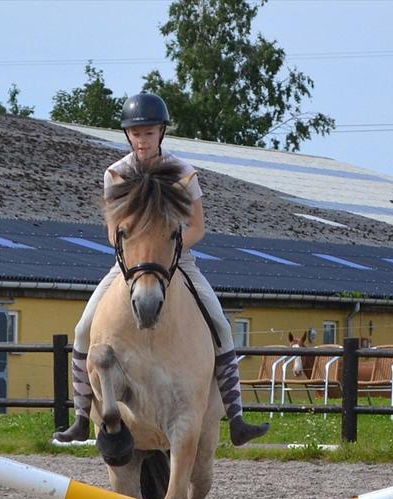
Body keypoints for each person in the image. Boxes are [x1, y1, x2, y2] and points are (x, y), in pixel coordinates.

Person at [54, 92, 270, 447]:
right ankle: (80, 417)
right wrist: (135, 252)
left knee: (221, 326)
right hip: (130, 264)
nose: (142, 140)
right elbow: (113, 230)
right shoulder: (115, 174)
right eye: (136, 133)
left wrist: (169, 250)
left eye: (149, 133)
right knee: (82, 329)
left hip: (176, 260)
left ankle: (236, 417)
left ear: (161, 133)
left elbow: (197, 227)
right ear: (128, 136)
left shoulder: (183, 174)